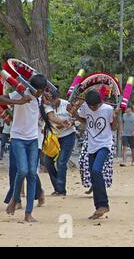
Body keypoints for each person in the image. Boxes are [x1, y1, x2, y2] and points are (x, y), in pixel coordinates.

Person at [0, 74, 51, 222]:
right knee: (23, 170)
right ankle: (15, 196)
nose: (38, 93)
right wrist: (18, 102)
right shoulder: (20, 93)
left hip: (33, 140)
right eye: (37, 90)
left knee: (32, 173)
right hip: (18, 138)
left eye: (41, 91)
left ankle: (28, 213)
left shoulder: (40, 98)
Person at [73, 89, 120, 219]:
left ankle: (104, 204)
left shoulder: (108, 109)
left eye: (95, 106)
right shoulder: (85, 108)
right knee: (94, 176)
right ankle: (98, 207)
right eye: (90, 106)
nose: (93, 108)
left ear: (100, 102)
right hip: (91, 145)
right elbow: (83, 121)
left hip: (104, 144)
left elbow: (114, 127)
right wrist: (74, 112)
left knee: (96, 170)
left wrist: (116, 117)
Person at [43, 89, 76, 196]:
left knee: (61, 162)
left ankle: (61, 190)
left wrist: (71, 122)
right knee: (47, 161)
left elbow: (77, 119)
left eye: (53, 100)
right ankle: (57, 187)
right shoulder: (48, 105)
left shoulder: (67, 104)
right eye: (49, 100)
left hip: (68, 137)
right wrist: (62, 122)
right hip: (54, 138)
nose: (51, 102)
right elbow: (51, 117)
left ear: (58, 97)